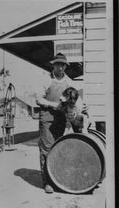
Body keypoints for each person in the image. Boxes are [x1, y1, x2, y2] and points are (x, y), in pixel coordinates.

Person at [36, 53, 88, 193]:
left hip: (61, 119)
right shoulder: (46, 80)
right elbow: (38, 99)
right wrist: (54, 105)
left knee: (59, 149)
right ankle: (47, 182)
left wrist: (83, 108)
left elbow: (76, 99)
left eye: (63, 65)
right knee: (46, 149)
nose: (60, 67)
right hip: (47, 118)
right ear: (53, 65)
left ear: (66, 66)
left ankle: (57, 179)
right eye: (57, 64)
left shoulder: (69, 82)